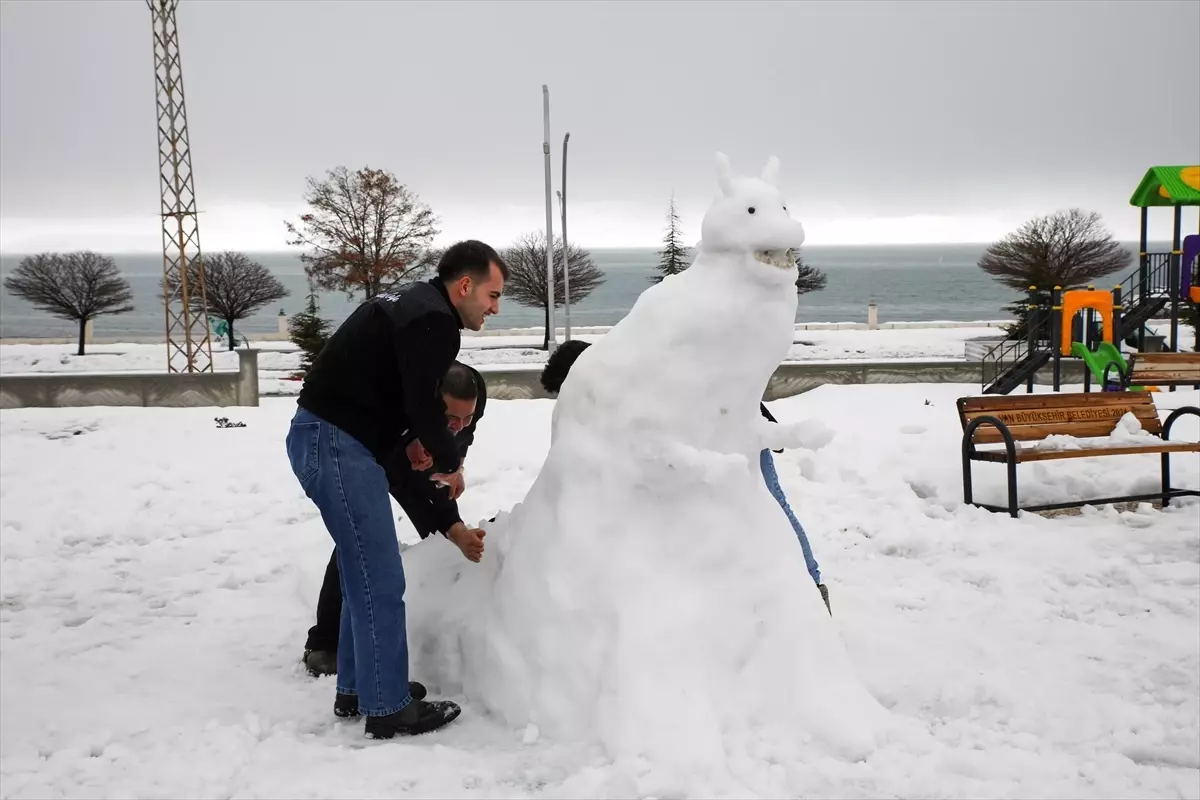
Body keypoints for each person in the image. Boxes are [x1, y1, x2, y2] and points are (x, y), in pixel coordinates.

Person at [285, 240, 506, 739]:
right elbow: (423, 405)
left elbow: (391, 394)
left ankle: (358, 688)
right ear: (464, 286)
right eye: (492, 295)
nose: (494, 308)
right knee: (380, 579)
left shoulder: (412, 304)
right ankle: (388, 707)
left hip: (330, 439)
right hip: (337, 444)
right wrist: (448, 460)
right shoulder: (434, 321)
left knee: (361, 571)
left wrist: (412, 445)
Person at [538, 339, 831, 614]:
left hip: (739, 434)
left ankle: (812, 584)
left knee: (772, 503)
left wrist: (768, 433)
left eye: (565, 389)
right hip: (705, 450)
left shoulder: (637, 372)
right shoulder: (609, 388)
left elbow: (718, 388)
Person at [303, 361, 488, 694]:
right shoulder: (400, 397)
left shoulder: (473, 395)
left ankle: (435, 626)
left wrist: (454, 469)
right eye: (451, 418)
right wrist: (417, 451)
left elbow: (459, 442)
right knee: (359, 540)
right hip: (373, 452)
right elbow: (394, 457)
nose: (460, 425)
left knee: (438, 538)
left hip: (421, 453)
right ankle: (325, 642)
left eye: (467, 418)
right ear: (429, 403)